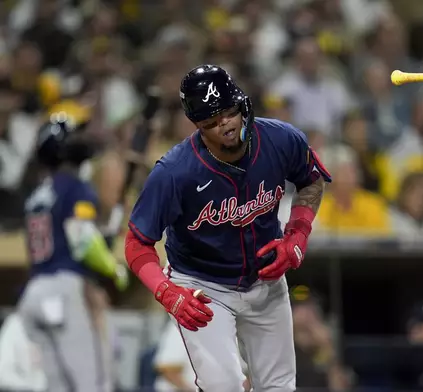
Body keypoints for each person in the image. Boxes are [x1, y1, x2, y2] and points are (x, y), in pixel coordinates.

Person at [124, 64, 332, 392]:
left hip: (265, 278)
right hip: (203, 285)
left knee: (279, 387)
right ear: (196, 125)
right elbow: (137, 243)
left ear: (242, 106)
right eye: (211, 121)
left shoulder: (280, 139)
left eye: (228, 113)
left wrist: (297, 236)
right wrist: (166, 292)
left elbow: (311, 180)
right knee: (224, 386)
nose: (224, 125)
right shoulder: (175, 172)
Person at [16, 115, 129, 392]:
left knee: (58, 385)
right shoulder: (75, 186)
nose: (82, 142)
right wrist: (111, 267)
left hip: (35, 290)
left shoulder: (36, 194)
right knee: (94, 383)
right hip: (66, 290)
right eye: (74, 137)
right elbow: (83, 242)